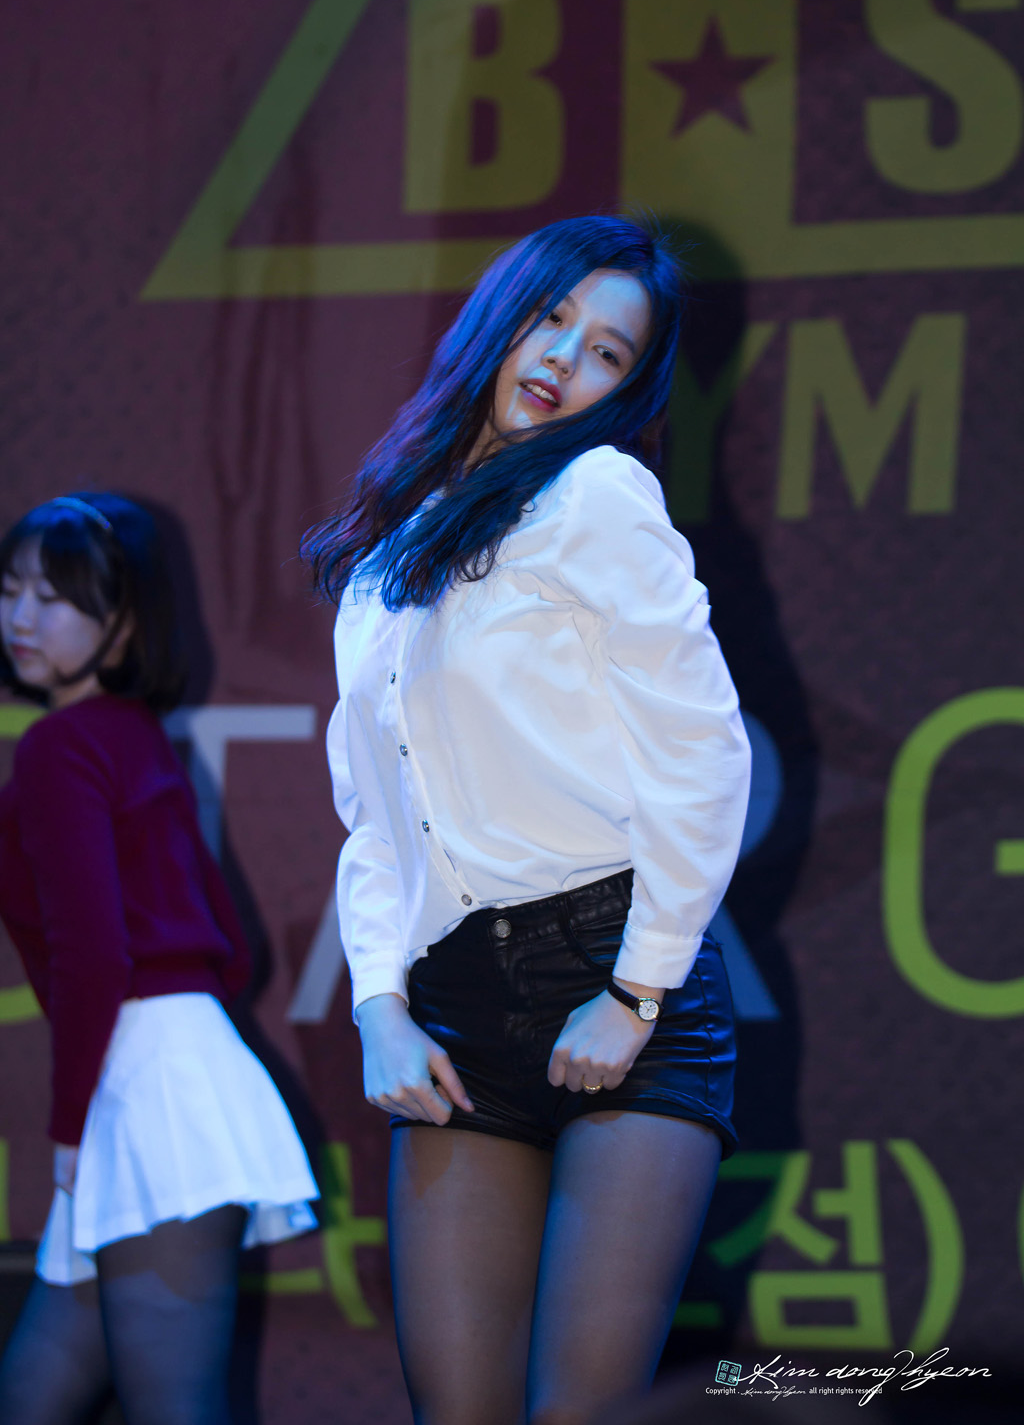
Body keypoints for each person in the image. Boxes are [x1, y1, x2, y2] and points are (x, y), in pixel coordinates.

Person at [306, 216, 751, 1425]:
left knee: (578, 1416)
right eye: (552, 319)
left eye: (607, 351)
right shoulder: (390, 547)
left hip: (616, 981)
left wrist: (636, 993)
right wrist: (380, 1007)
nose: (563, 358)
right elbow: (374, 822)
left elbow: (704, 754)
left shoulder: (596, 494)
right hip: (456, 1007)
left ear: (628, 388)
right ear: (500, 317)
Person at [0, 494, 319, 1425]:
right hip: (157, 1077)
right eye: (10, 589)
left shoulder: (63, 746)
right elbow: (232, 949)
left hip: (146, 1093)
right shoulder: (130, 735)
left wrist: (73, 1124)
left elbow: (94, 955)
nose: (21, 617)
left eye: (56, 597)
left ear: (126, 622)